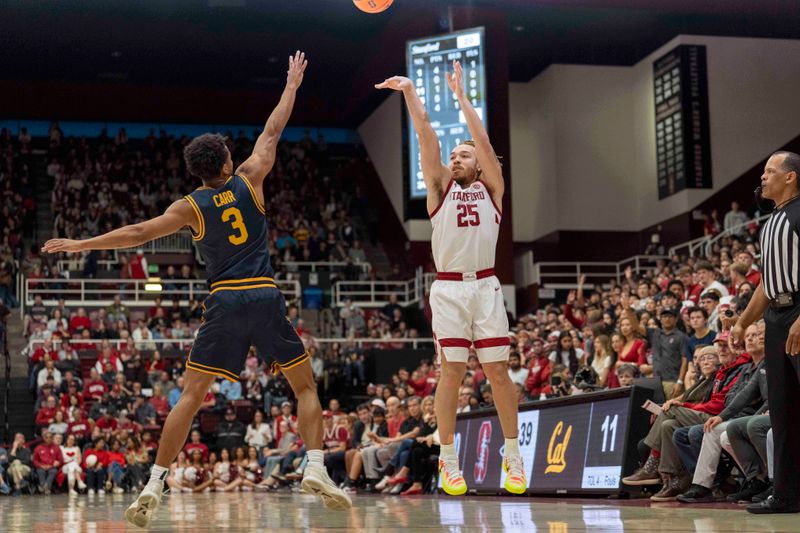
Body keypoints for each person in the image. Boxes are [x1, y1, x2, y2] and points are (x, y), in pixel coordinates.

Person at [42, 52, 350, 526]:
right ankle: (315, 467)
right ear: (228, 160)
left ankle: (154, 482)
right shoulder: (251, 179)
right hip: (265, 294)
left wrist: (81, 242)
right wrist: (291, 85)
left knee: (190, 396)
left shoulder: (190, 206)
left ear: (198, 171)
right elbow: (272, 131)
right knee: (305, 387)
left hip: (224, 300)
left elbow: (136, 234)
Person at [376, 60, 525, 496]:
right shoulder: (440, 188)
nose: (456, 158)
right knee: (452, 372)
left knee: (499, 373)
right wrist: (408, 92)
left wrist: (462, 98)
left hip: (486, 286)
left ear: (480, 164)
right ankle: (448, 459)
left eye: (464, 155)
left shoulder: (492, 188)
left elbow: (481, 139)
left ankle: (512, 458)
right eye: (454, 156)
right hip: (449, 289)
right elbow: (427, 136)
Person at [731, 150, 800, 514]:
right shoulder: (769, 221)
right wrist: (743, 322)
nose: (763, 177)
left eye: (770, 171)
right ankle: (787, 494)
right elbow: (766, 283)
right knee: (783, 411)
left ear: (790, 177)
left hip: (799, 312)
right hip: (776, 316)